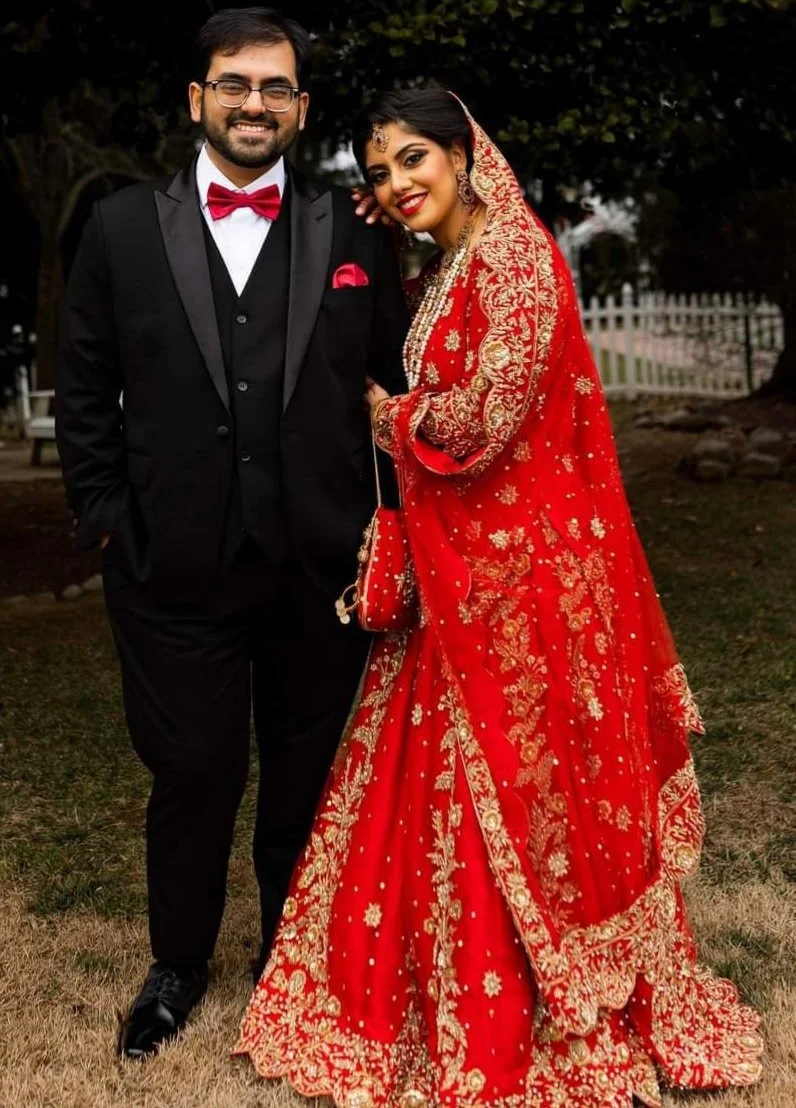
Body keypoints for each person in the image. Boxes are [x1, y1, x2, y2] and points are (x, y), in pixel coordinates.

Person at [234, 89, 763, 1107]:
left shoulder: (517, 256)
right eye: (380, 170)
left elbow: (487, 416)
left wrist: (398, 419)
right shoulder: (452, 262)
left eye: (411, 157)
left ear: (465, 151)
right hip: (467, 576)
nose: (396, 183)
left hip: (525, 582)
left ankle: (544, 1009)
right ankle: (442, 1003)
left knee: (529, 798)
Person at [55, 8, 408, 1059]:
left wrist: (386, 532)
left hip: (320, 563)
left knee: (307, 771)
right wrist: (107, 519)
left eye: (275, 87)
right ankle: (176, 964)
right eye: (234, 84)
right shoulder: (119, 227)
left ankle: (288, 955)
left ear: (300, 108)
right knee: (195, 767)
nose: (254, 103)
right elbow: (83, 388)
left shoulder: (356, 230)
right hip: (170, 565)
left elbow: (389, 387)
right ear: (197, 100)